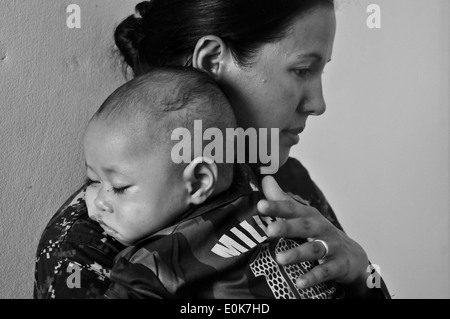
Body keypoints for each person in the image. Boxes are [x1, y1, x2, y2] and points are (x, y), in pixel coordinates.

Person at [34, 0, 390, 299]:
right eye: (301, 70)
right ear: (210, 63)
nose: (318, 103)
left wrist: (362, 273)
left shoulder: (287, 182)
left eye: (320, 72)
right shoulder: (88, 243)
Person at [85, 66, 342, 298]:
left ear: (198, 182)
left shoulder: (148, 269)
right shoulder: (278, 209)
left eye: (120, 187)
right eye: (93, 181)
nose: (98, 202)